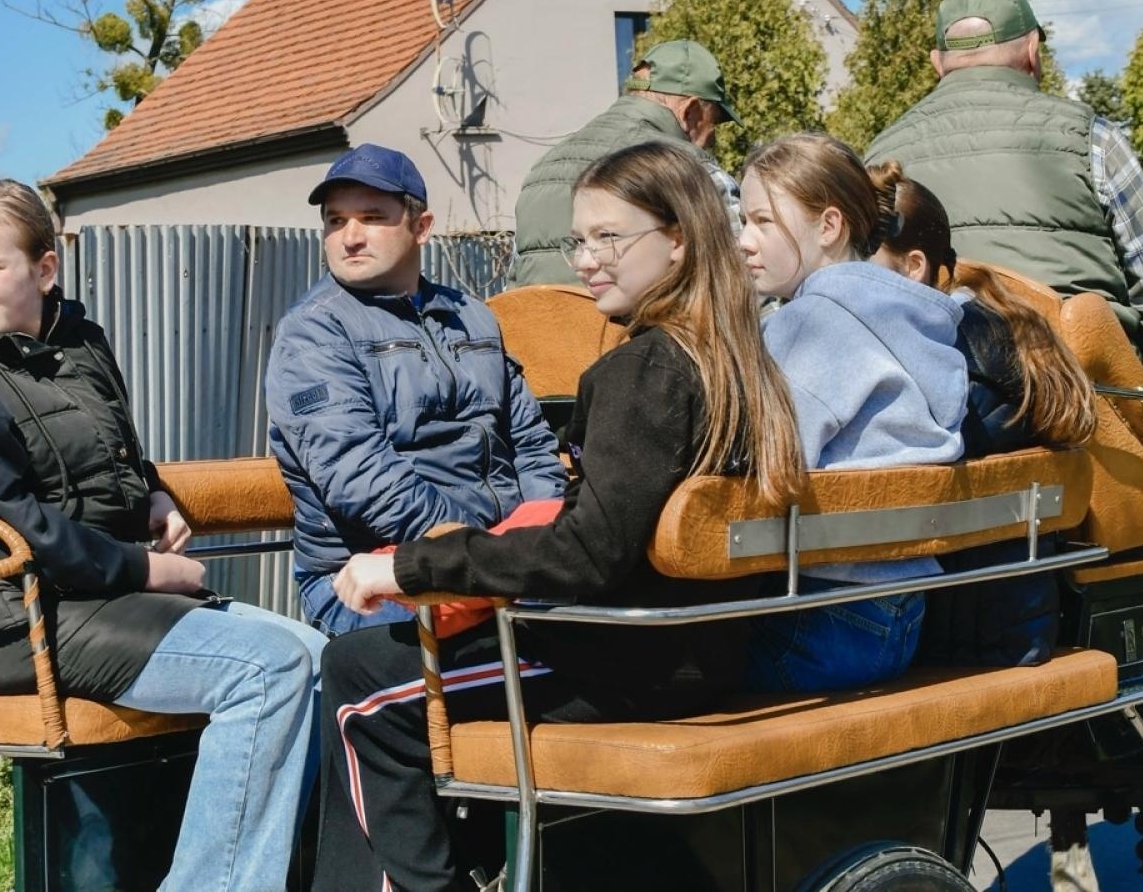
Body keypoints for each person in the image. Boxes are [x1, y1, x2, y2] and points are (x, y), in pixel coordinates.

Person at [310, 141, 806, 892]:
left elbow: (588, 555)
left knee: (359, 682)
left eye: (610, 238)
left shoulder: (645, 369)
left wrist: (412, 566)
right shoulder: (735, 356)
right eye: (579, 240)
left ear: (678, 240)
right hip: (698, 642)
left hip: (632, 654)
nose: (586, 260)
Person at [0, 179, 325, 892]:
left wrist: (154, 489)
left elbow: (106, 451)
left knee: (321, 656)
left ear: (44, 270)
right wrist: (147, 571)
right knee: (266, 669)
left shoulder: (80, 342)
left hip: (102, 601)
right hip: (15, 618)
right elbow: (18, 527)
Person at [266, 143, 566, 636]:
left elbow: (531, 445)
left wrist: (539, 535)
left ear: (421, 227)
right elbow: (358, 477)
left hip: (498, 558)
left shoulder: (472, 316)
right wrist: (474, 553)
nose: (350, 237)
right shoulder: (313, 333)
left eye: (371, 217)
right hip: (374, 573)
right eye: (335, 221)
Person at [737, 133, 968, 692]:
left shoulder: (810, 322)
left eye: (763, 222)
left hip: (817, 621)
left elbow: (761, 463)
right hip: (903, 614)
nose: (744, 241)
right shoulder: (920, 320)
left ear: (830, 227)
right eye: (743, 220)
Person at [864, 0, 1143, 370]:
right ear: (1033, 51)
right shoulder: (1092, 137)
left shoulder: (880, 156)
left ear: (937, 63)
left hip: (933, 388)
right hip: (1087, 386)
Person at [871, 167, 1098, 667]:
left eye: (860, 266)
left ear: (914, 267)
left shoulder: (951, 360)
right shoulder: (995, 331)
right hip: (1005, 622)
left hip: (964, 639)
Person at [509, 39, 743, 285]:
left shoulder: (541, 168)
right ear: (691, 111)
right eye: (713, 125)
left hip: (535, 322)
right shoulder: (691, 169)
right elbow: (746, 288)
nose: (711, 140)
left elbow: (513, 287)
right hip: (639, 323)